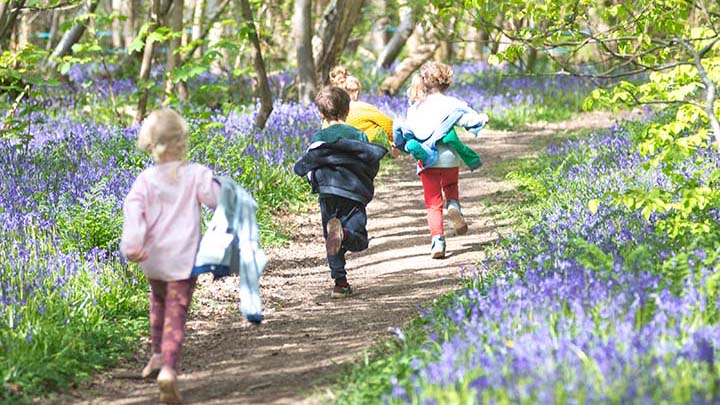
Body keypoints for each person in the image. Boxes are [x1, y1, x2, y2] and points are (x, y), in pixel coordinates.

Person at [120, 108, 219, 404]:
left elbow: (133, 212)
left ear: (150, 145)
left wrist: (133, 244)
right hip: (184, 259)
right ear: (183, 142)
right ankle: (168, 370)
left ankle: (156, 355)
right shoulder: (196, 175)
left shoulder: (145, 180)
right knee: (176, 312)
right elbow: (217, 200)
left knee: (158, 301)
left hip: (153, 258)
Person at [293, 86, 387, 297]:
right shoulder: (358, 135)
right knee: (359, 238)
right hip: (352, 192)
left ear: (321, 113)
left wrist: (313, 180)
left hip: (327, 192)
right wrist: (366, 180)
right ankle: (344, 234)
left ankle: (340, 282)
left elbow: (308, 164)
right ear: (347, 111)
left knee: (330, 238)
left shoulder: (319, 137)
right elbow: (369, 162)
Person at [398, 61, 489, 259]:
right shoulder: (452, 104)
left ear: (424, 82)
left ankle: (437, 241)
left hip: (426, 161)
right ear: (447, 83)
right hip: (449, 159)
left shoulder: (415, 108)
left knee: (433, 203)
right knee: (450, 186)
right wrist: (483, 118)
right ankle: (454, 206)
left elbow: (408, 131)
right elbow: (469, 120)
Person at [328, 66, 398, 156]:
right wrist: (394, 142)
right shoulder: (364, 108)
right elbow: (389, 126)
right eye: (354, 91)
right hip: (363, 156)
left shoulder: (330, 112)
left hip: (336, 156)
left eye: (357, 91)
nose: (357, 94)